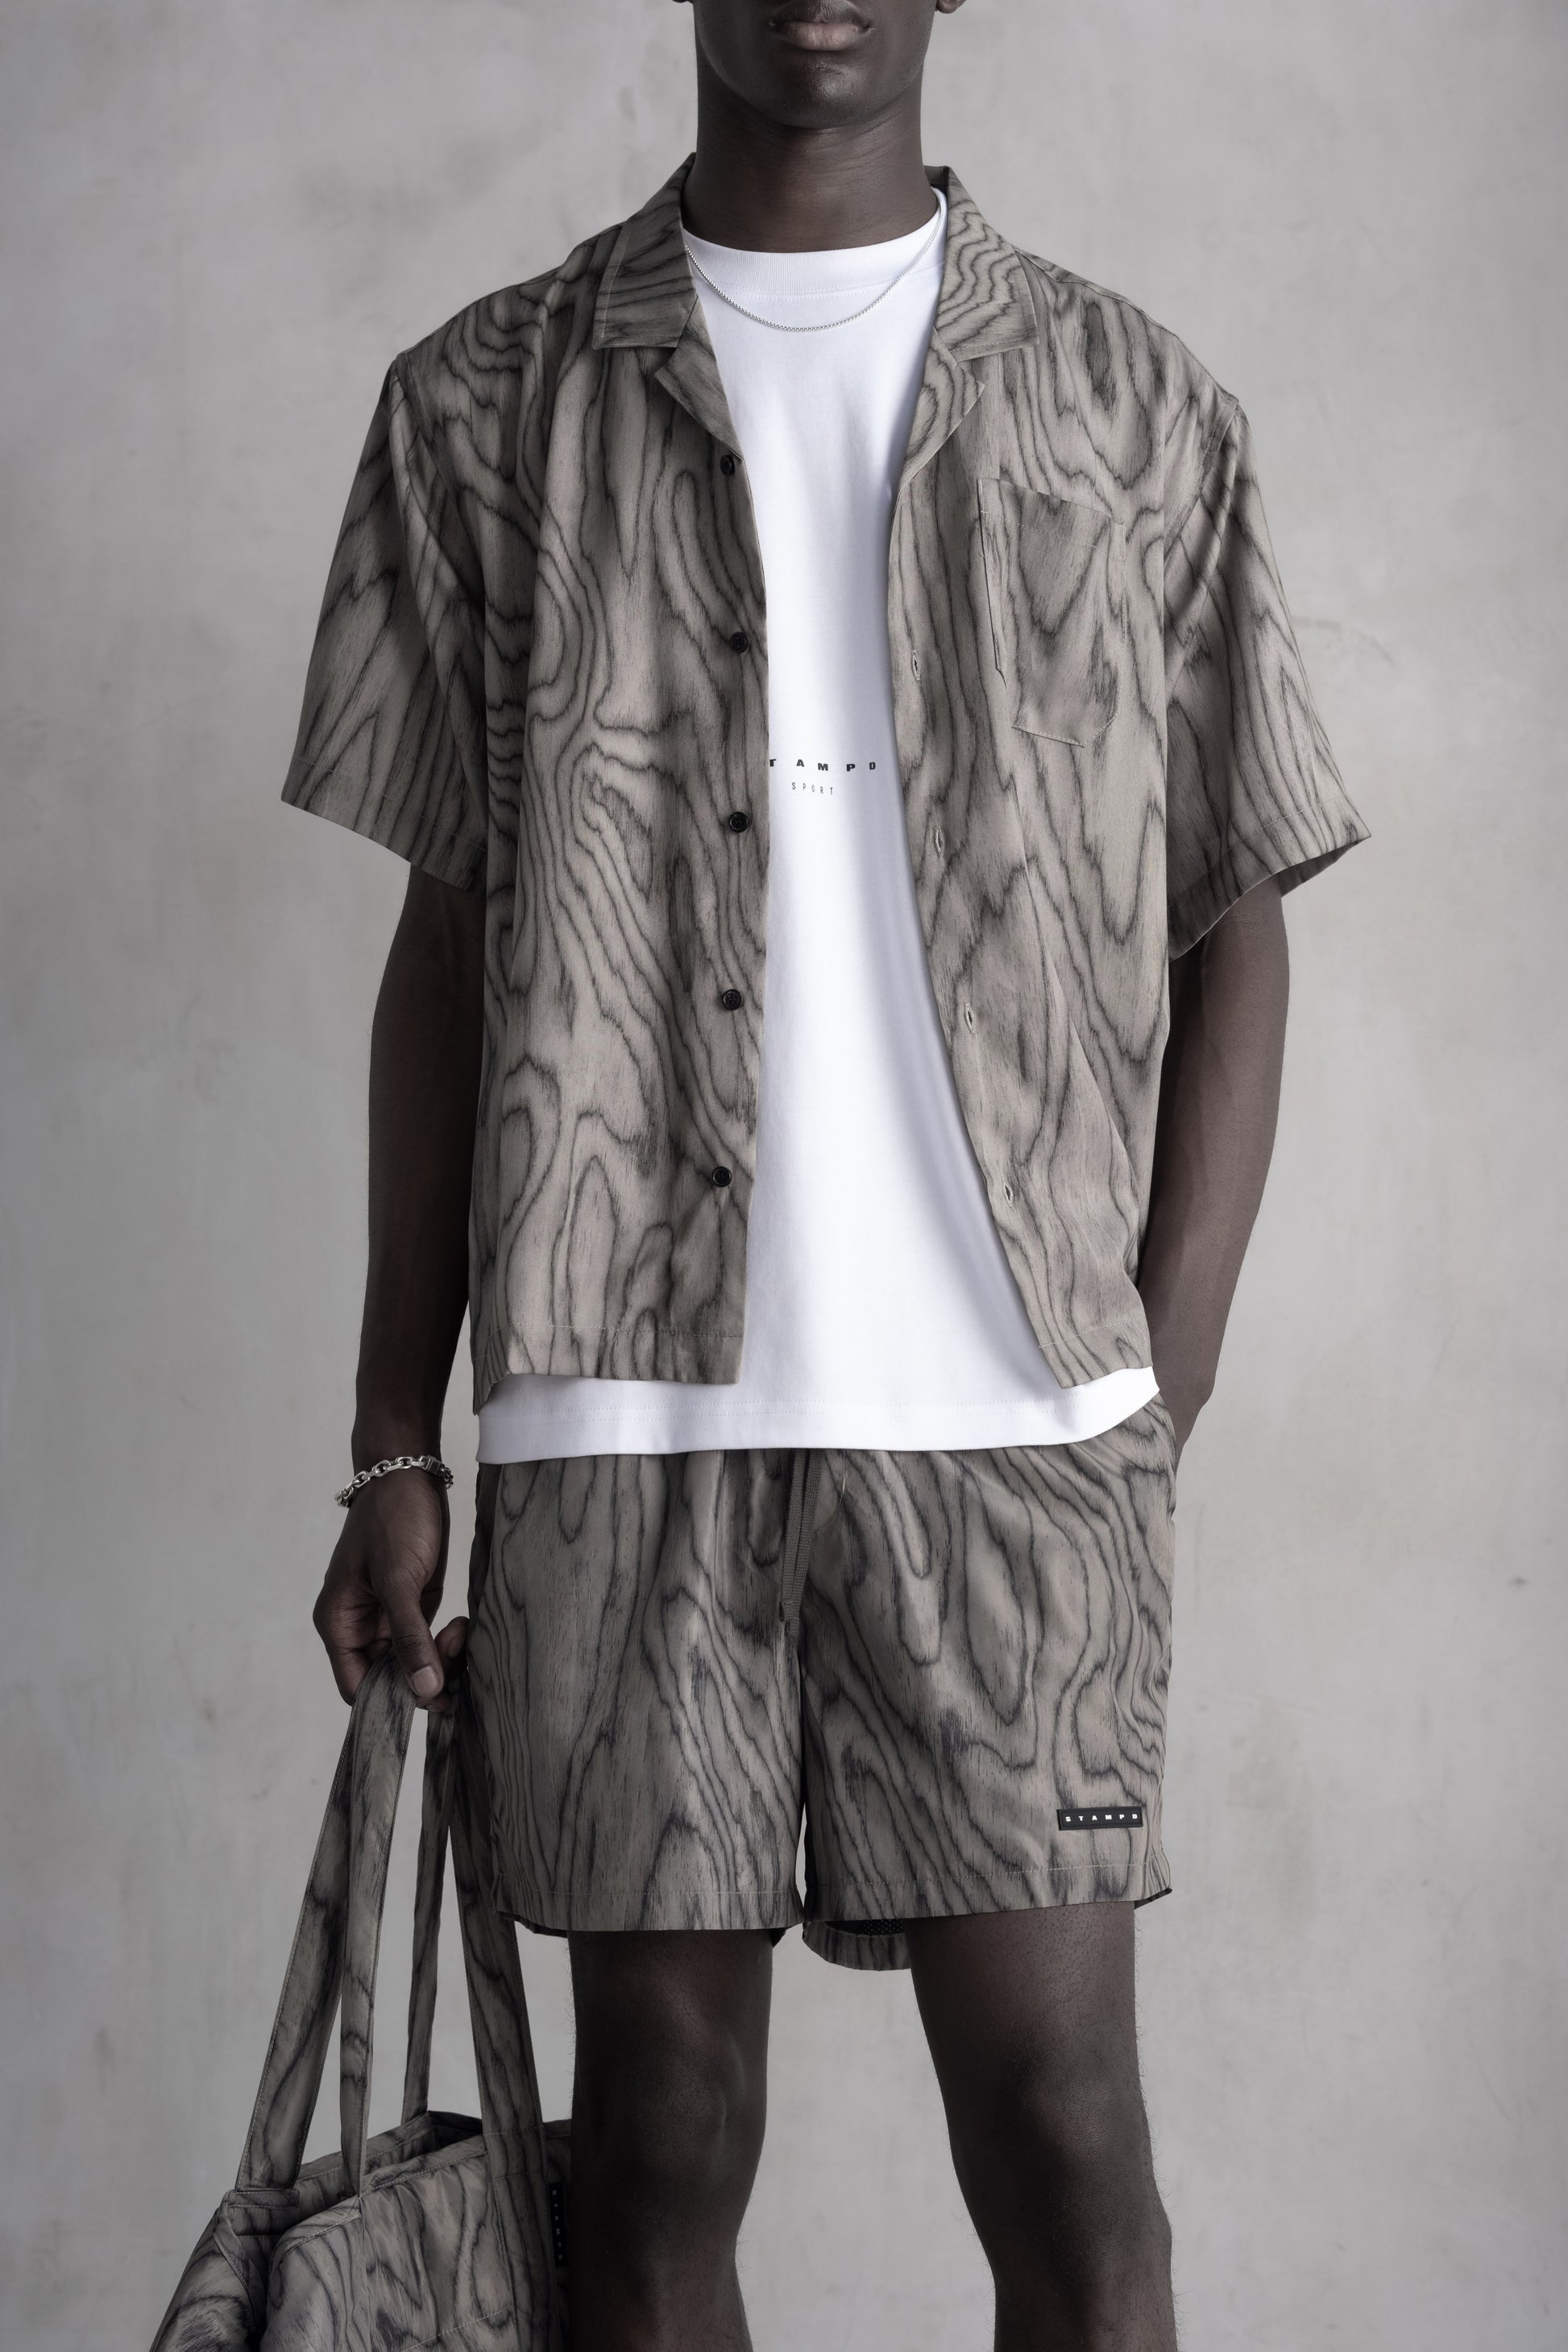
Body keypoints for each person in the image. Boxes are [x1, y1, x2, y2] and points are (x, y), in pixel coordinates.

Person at [282, 2, 1367, 2343]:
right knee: (655, 2152)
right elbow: (449, 947)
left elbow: (1236, 912)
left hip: (1016, 1435)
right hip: (618, 1431)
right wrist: (394, 1433)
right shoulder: (482, 406)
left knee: (1066, 2144)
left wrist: (1154, 1377)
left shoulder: (1133, 406)